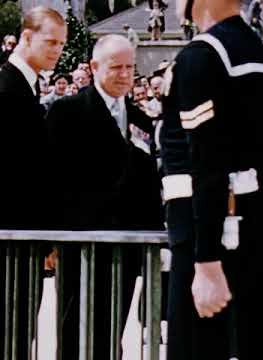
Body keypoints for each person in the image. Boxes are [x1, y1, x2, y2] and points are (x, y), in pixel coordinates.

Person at [161, 0, 263, 359]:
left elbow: (206, 164)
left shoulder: (201, 56)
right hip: (257, 241)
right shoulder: (259, 54)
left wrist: (205, 261)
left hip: (208, 244)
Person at [45, 34, 164, 358]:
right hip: (79, 242)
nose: (125, 74)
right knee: (75, 333)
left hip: (125, 245)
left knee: (112, 331)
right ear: (95, 67)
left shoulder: (140, 118)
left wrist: (154, 236)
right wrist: (51, 238)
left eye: (130, 67)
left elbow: (148, 182)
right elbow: (49, 177)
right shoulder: (66, 111)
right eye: (116, 67)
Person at [0, 6, 66, 359]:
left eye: (61, 43)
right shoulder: (7, 87)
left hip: (23, 240)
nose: (57, 50)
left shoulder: (24, 86)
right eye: (50, 41)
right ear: (26, 37)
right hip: (12, 241)